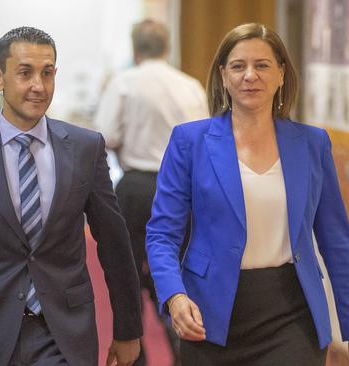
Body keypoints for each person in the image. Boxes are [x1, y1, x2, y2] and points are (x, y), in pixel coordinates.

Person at [0, 26, 142, 366]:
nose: (38, 85)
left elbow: (114, 243)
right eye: (25, 73)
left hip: (64, 333)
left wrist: (128, 329)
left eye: (47, 73)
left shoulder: (84, 148)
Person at [145, 23, 349, 366]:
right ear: (223, 75)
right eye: (238, 66)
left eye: (262, 65)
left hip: (291, 315)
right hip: (209, 316)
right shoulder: (189, 142)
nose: (250, 75)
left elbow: (336, 243)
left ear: (281, 74)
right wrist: (175, 296)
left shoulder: (312, 144)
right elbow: (162, 234)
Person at [94, 19, 207, 365]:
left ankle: (135, 356)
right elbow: (205, 142)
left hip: (136, 187)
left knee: (126, 275)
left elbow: (104, 136)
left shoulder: (125, 83)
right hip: (183, 191)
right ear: (167, 47)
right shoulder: (191, 86)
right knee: (178, 275)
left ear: (134, 50)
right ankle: (185, 351)